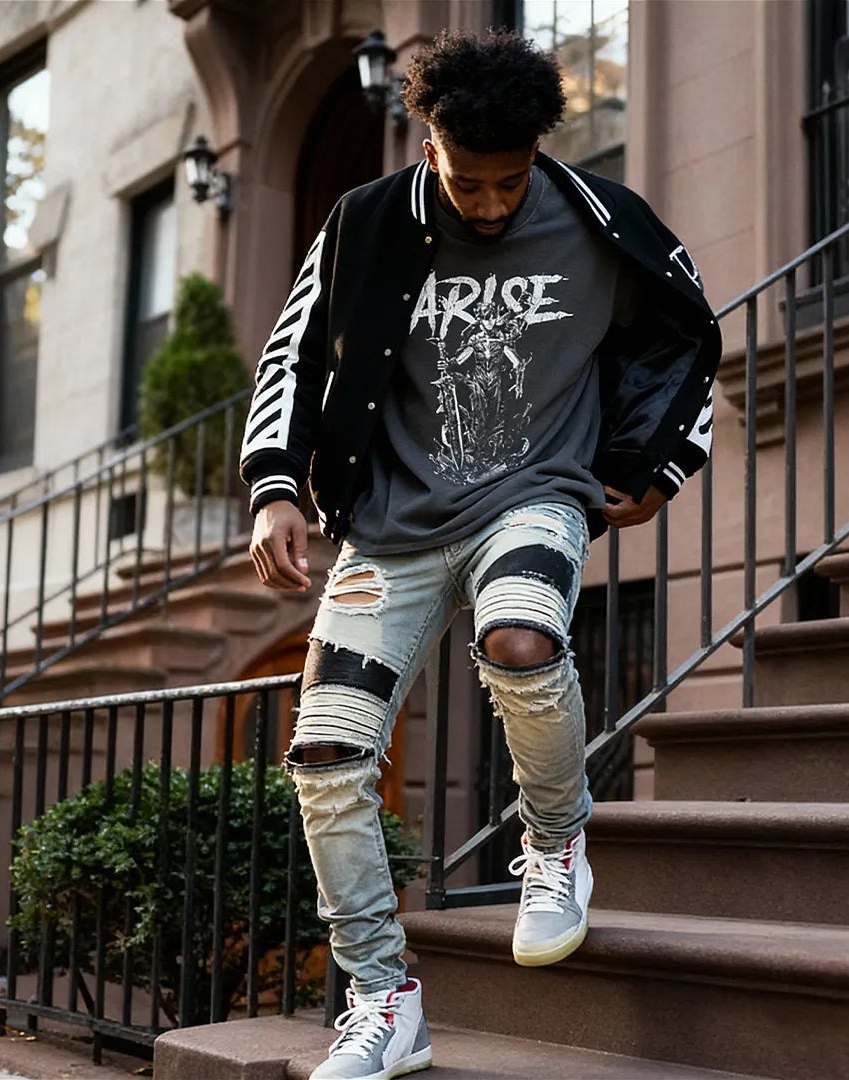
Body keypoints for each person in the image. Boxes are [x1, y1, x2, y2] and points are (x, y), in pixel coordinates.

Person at [237, 26, 720, 1080]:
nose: (492, 205)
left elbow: (685, 335)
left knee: (520, 635)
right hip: (390, 524)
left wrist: (657, 464)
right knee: (325, 755)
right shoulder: (367, 222)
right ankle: (383, 998)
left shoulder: (603, 220)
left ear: (540, 153)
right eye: (469, 183)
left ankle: (555, 841)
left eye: (511, 182)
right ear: (430, 150)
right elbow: (294, 351)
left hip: (535, 494)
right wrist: (276, 486)